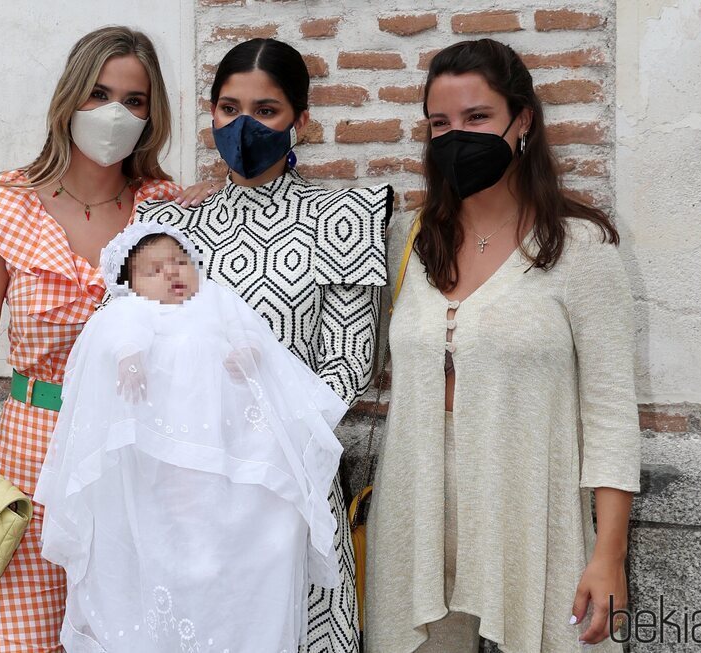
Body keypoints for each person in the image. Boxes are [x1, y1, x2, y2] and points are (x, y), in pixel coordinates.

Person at [0, 26, 214, 651]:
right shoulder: (8, 208)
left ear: (151, 114)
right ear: (68, 101)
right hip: (30, 451)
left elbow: (193, 344)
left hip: (133, 455)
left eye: (134, 102)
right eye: (99, 94)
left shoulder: (168, 214)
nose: (115, 113)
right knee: (24, 641)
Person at [364, 39, 641, 653]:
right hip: (416, 523)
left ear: (523, 121)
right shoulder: (409, 242)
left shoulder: (579, 247)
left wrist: (609, 556)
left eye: (477, 118)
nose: (456, 135)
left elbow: (611, 413)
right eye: (441, 123)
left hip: (528, 519)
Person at [130, 38, 393, 652]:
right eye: (228, 108)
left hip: (289, 478)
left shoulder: (345, 217)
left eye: (266, 110)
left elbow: (348, 364)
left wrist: (269, 436)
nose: (243, 125)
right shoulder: (177, 229)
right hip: (190, 485)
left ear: (301, 120)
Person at [34, 221, 348, 652]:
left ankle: (230, 598)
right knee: (165, 520)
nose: (172, 274)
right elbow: (122, 337)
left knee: (237, 517)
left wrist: (247, 351)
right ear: (130, 283)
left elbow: (248, 332)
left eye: (180, 262)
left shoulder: (215, 298)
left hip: (227, 447)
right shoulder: (132, 311)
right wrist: (130, 360)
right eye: (153, 270)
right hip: (158, 450)